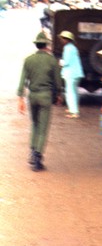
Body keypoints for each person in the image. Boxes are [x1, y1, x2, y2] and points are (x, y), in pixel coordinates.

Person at [18, 32, 63, 172]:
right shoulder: (52, 61)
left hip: (32, 96)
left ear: (37, 45)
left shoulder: (28, 60)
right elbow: (58, 82)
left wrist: (20, 98)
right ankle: (38, 157)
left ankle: (32, 151)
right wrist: (59, 94)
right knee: (43, 128)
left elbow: (22, 81)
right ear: (47, 45)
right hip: (46, 96)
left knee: (35, 124)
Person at [58, 30, 84, 119]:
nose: (61, 40)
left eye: (62, 39)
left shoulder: (67, 48)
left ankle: (74, 112)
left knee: (70, 93)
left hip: (70, 74)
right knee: (75, 92)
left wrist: (60, 62)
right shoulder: (73, 47)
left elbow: (67, 62)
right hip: (77, 73)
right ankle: (73, 108)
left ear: (66, 39)